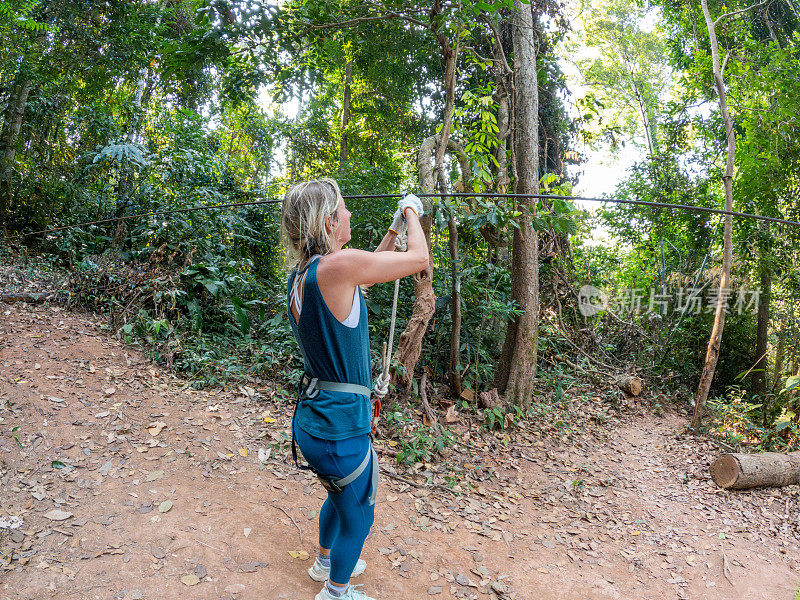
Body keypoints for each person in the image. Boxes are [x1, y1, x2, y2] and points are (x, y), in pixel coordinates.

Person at [281, 178, 428, 600]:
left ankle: (326, 560)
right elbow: (418, 259)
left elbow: (367, 272)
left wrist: (395, 229)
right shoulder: (337, 268)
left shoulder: (308, 275)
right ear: (329, 222)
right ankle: (335, 591)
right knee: (360, 514)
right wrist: (413, 212)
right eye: (343, 210)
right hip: (338, 427)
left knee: (338, 493)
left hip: (315, 421)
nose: (349, 215)